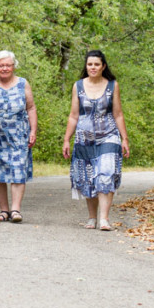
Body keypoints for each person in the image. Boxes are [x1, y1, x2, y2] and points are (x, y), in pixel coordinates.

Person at [61, 50, 130, 231]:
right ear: (86, 66)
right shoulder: (78, 86)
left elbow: (118, 114)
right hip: (84, 137)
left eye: (96, 64)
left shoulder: (112, 86)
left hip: (109, 135)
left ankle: (104, 219)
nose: (93, 67)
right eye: (90, 64)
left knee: (106, 173)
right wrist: (67, 139)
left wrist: (124, 138)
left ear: (103, 66)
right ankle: (92, 217)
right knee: (88, 177)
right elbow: (74, 115)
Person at [0, 50, 37, 223]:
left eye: (8, 65)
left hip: (19, 135)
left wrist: (33, 130)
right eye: (1, 65)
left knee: (18, 169)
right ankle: (4, 210)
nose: (4, 68)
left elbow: (31, 108)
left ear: (13, 66)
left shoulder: (23, 84)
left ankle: (15, 210)